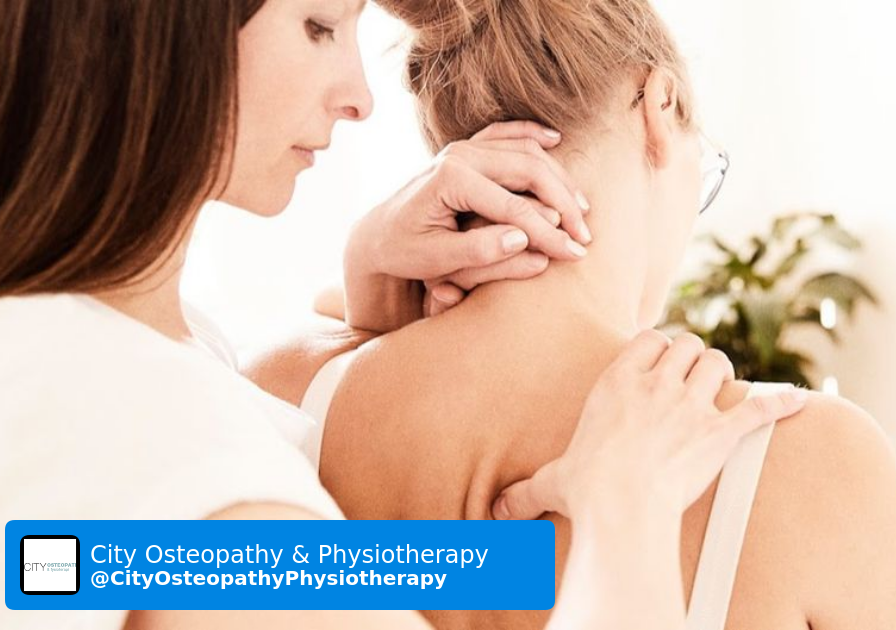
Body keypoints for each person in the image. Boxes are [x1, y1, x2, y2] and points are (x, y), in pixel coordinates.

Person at [0, 0, 810, 628]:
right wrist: (626, 512)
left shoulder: (106, 350)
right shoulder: (198, 483)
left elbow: (101, 567)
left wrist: (364, 287)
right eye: (318, 25)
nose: (360, 98)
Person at [258, 0, 896, 628]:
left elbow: (473, 573)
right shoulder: (819, 465)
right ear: (660, 106)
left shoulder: (282, 392)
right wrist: (622, 517)